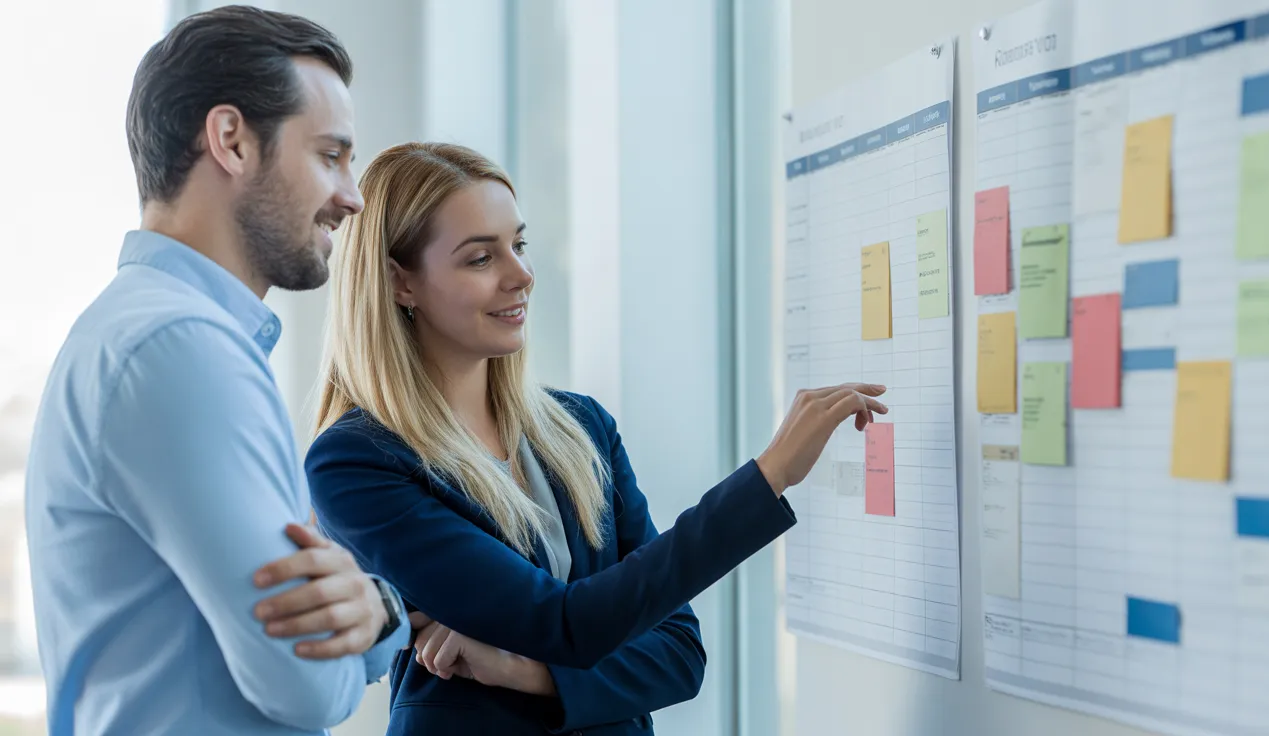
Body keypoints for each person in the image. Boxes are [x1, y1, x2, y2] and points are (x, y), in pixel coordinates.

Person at [304, 142, 888, 735]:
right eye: (481, 259)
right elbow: (567, 623)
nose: (522, 275)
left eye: (519, 245)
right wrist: (769, 477)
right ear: (401, 283)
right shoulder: (358, 462)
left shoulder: (581, 429)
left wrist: (529, 671)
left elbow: (680, 656)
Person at [23, 7, 411, 735]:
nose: (353, 196)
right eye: (330, 156)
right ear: (231, 140)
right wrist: (378, 616)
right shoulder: (180, 349)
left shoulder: (137, 334)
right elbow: (306, 684)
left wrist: (369, 607)